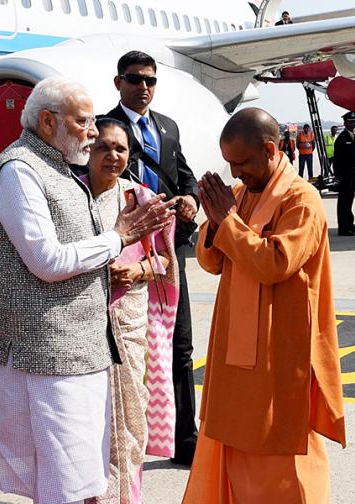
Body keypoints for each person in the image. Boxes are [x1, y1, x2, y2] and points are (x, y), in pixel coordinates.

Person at [0, 76, 173, 503]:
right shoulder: (20, 171)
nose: (92, 131)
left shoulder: (58, 169)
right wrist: (117, 239)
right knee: (62, 481)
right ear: (48, 122)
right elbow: (47, 260)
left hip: (80, 352)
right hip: (44, 355)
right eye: (83, 121)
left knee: (79, 477)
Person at [182, 107, 345, 504]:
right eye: (229, 163)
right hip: (235, 356)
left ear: (270, 150)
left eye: (242, 163)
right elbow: (212, 262)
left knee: (282, 462)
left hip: (278, 355)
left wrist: (228, 223)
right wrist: (217, 224)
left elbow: (275, 264)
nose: (235, 173)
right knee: (236, 450)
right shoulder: (239, 196)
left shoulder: (301, 199)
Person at [105, 50, 200, 465]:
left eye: (150, 80)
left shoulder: (167, 127)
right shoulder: (105, 128)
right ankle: (122, 440)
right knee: (125, 349)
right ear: (118, 83)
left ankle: (185, 440)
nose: (143, 87)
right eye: (134, 79)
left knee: (179, 345)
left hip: (167, 253)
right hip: (125, 252)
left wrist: (191, 200)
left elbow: (185, 177)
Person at [83, 118, 179, 503]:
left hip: (128, 322)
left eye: (120, 148)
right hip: (80, 326)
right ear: (86, 150)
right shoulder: (71, 198)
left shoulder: (142, 200)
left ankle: (126, 497)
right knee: (87, 422)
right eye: (103, 147)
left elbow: (166, 263)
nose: (112, 156)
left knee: (129, 418)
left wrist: (137, 269)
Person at [334, 112, 355, 236]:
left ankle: (350, 224)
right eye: (350, 122)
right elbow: (337, 158)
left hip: (352, 172)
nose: (353, 124)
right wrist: (338, 175)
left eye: (354, 122)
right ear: (345, 123)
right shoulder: (342, 138)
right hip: (344, 173)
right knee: (343, 201)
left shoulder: (352, 136)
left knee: (349, 199)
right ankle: (343, 228)